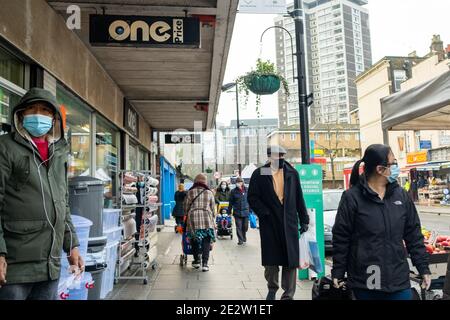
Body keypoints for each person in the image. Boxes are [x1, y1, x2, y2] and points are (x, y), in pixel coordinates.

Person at [0, 88, 83, 300]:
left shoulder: (59, 153)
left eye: (45, 111)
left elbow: (62, 203)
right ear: (21, 115)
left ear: (54, 119)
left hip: (50, 264)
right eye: (32, 109)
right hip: (15, 266)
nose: (38, 115)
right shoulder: (6, 147)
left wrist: (72, 245)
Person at [332, 144, 431, 300]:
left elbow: (413, 235)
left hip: (398, 279)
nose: (396, 167)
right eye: (393, 163)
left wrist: (423, 268)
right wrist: (338, 271)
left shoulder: (401, 196)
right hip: (366, 281)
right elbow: (341, 237)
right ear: (380, 169)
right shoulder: (352, 198)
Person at [248, 145, 309, 300]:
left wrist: (304, 219)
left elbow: (298, 198)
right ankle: (272, 288)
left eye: (282, 156)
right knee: (271, 261)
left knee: (290, 261)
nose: (280, 159)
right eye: (277, 156)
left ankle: (288, 294)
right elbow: (252, 198)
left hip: (289, 223)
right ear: (270, 157)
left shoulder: (291, 173)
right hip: (270, 223)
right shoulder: (261, 173)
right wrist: (264, 213)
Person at [184, 174, 216, 272]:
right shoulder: (209, 193)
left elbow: (186, 207)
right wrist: (213, 217)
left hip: (193, 218)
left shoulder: (190, 192)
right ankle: (205, 264)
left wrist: (187, 215)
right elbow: (213, 208)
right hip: (206, 217)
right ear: (205, 182)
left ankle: (197, 261)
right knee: (206, 239)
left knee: (194, 239)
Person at [228, 177, 250, 245]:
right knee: (239, 226)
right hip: (237, 212)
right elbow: (231, 202)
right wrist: (229, 211)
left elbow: (251, 200)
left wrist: (252, 210)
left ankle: (244, 236)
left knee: (245, 227)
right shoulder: (233, 191)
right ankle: (240, 240)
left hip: (246, 211)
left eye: (240, 182)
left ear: (243, 182)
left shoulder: (247, 190)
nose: (239, 183)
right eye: (238, 182)